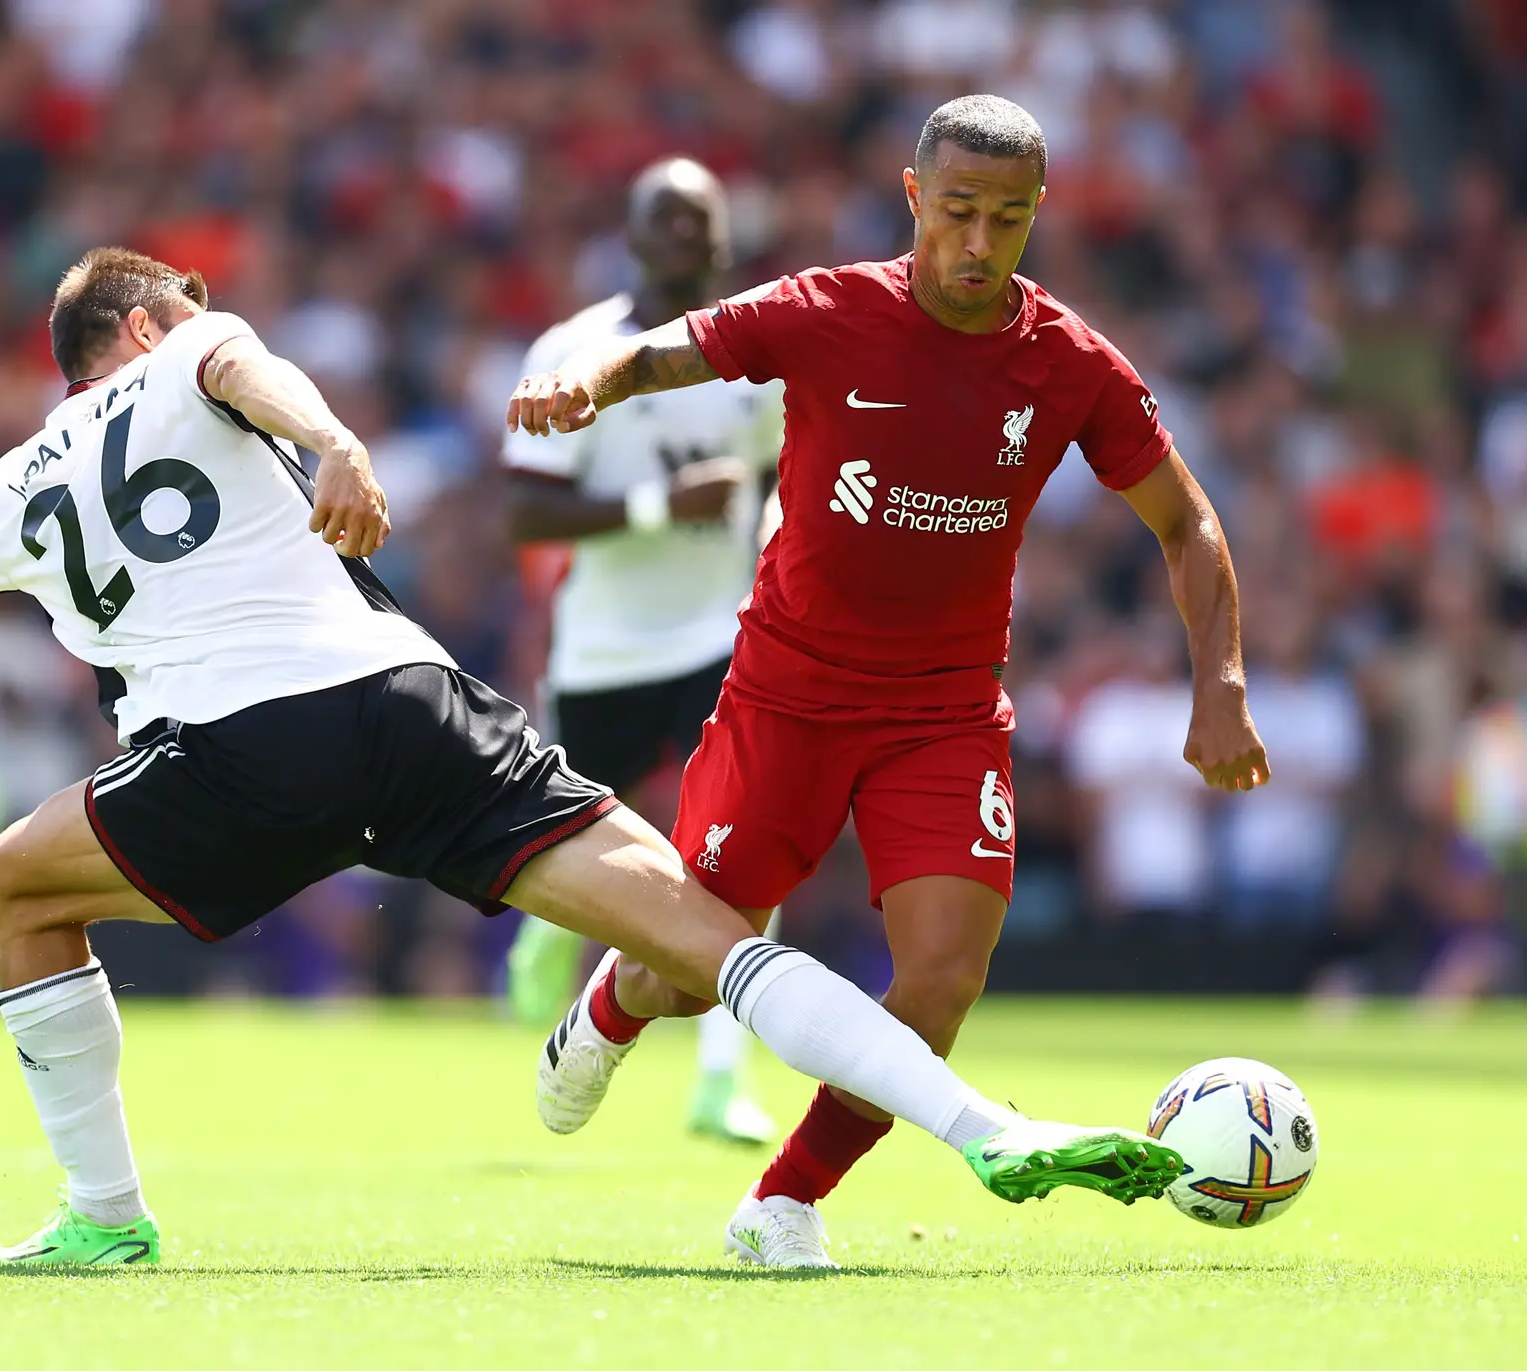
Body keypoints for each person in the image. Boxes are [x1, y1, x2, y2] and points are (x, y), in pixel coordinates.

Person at [0, 247, 1183, 1267]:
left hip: (234, 757)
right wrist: (336, 443)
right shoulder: (193, 340)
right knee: (703, 936)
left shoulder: (12, 482)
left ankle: (106, 1216)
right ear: (142, 323)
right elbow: (245, 371)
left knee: (16, 879)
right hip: (407, 702)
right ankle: (984, 1126)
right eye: (182, 306)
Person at [507, 95, 1269, 1270]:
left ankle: (784, 1202)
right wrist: (592, 388)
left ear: (1035, 218)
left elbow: (1187, 521)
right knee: (688, 977)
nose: (978, 242)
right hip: (786, 696)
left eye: (1006, 221)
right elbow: (684, 344)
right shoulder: (830, 310)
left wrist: (1216, 682)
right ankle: (609, 1008)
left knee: (945, 978)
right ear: (915, 197)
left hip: (945, 715)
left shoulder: (1067, 363)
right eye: (957, 211)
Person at [502, 157, 780, 1145]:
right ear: (629, 234)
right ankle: (550, 928)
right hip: (607, 651)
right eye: (662, 215)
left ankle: (721, 1074)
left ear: (723, 235)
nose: (681, 232)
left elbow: (794, 467)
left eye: (697, 215)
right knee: (577, 843)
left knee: (746, 843)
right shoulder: (576, 350)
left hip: (723, 633)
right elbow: (522, 508)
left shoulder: (759, 353)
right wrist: (666, 505)